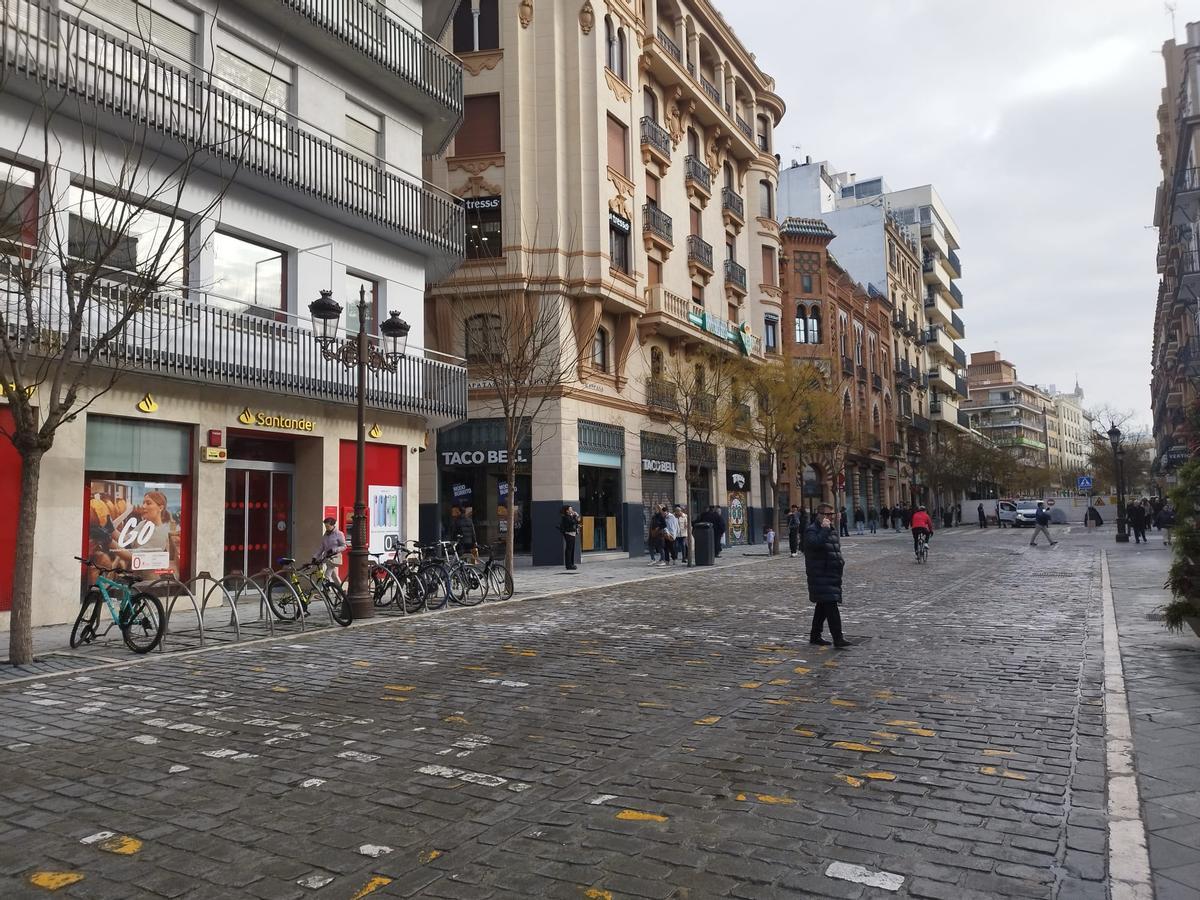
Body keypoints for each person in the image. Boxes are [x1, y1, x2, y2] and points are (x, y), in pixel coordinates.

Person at [803, 503, 851, 649]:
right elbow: (814, 544)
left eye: (832, 514)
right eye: (830, 514)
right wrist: (824, 530)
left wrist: (840, 563)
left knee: (822, 606)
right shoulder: (812, 530)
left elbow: (835, 549)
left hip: (831, 573)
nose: (832, 517)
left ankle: (815, 635)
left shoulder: (831, 529)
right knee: (831, 607)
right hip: (821, 574)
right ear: (822, 515)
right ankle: (838, 638)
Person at [314, 516, 348, 583]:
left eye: (328, 526)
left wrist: (334, 550)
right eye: (325, 526)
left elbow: (344, 546)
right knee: (334, 576)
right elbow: (322, 547)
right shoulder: (325, 535)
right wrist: (315, 557)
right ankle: (342, 590)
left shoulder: (339, 534)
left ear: (333, 525)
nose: (326, 528)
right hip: (327, 558)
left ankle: (323, 590)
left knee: (327, 575)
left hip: (334, 558)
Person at [560, 505, 580, 569]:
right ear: (567, 511)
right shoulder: (566, 517)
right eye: (570, 509)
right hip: (569, 534)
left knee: (572, 549)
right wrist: (575, 516)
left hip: (572, 534)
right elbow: (572, 522)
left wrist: (576, 517)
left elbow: (578, 521)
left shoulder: (570, 516)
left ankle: (571, 563)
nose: (572, 510)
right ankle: (568, 565)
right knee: (569, 550)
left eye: (572, 509)